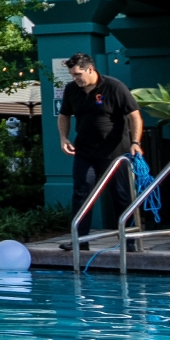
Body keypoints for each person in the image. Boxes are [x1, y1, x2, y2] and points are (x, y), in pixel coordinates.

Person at [57, 52, 141, 242]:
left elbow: (134, 115)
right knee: (81, 192)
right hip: (85, 151)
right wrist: (64, 138)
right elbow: (64, 115)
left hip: (115, 151)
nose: (75, 78)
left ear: (90, 69)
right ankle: (79, 240)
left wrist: (135, 142)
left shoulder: (114, 87)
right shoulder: (72, 89)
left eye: (78, 74)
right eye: (72, 75)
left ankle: (129, 241)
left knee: (120, 195)